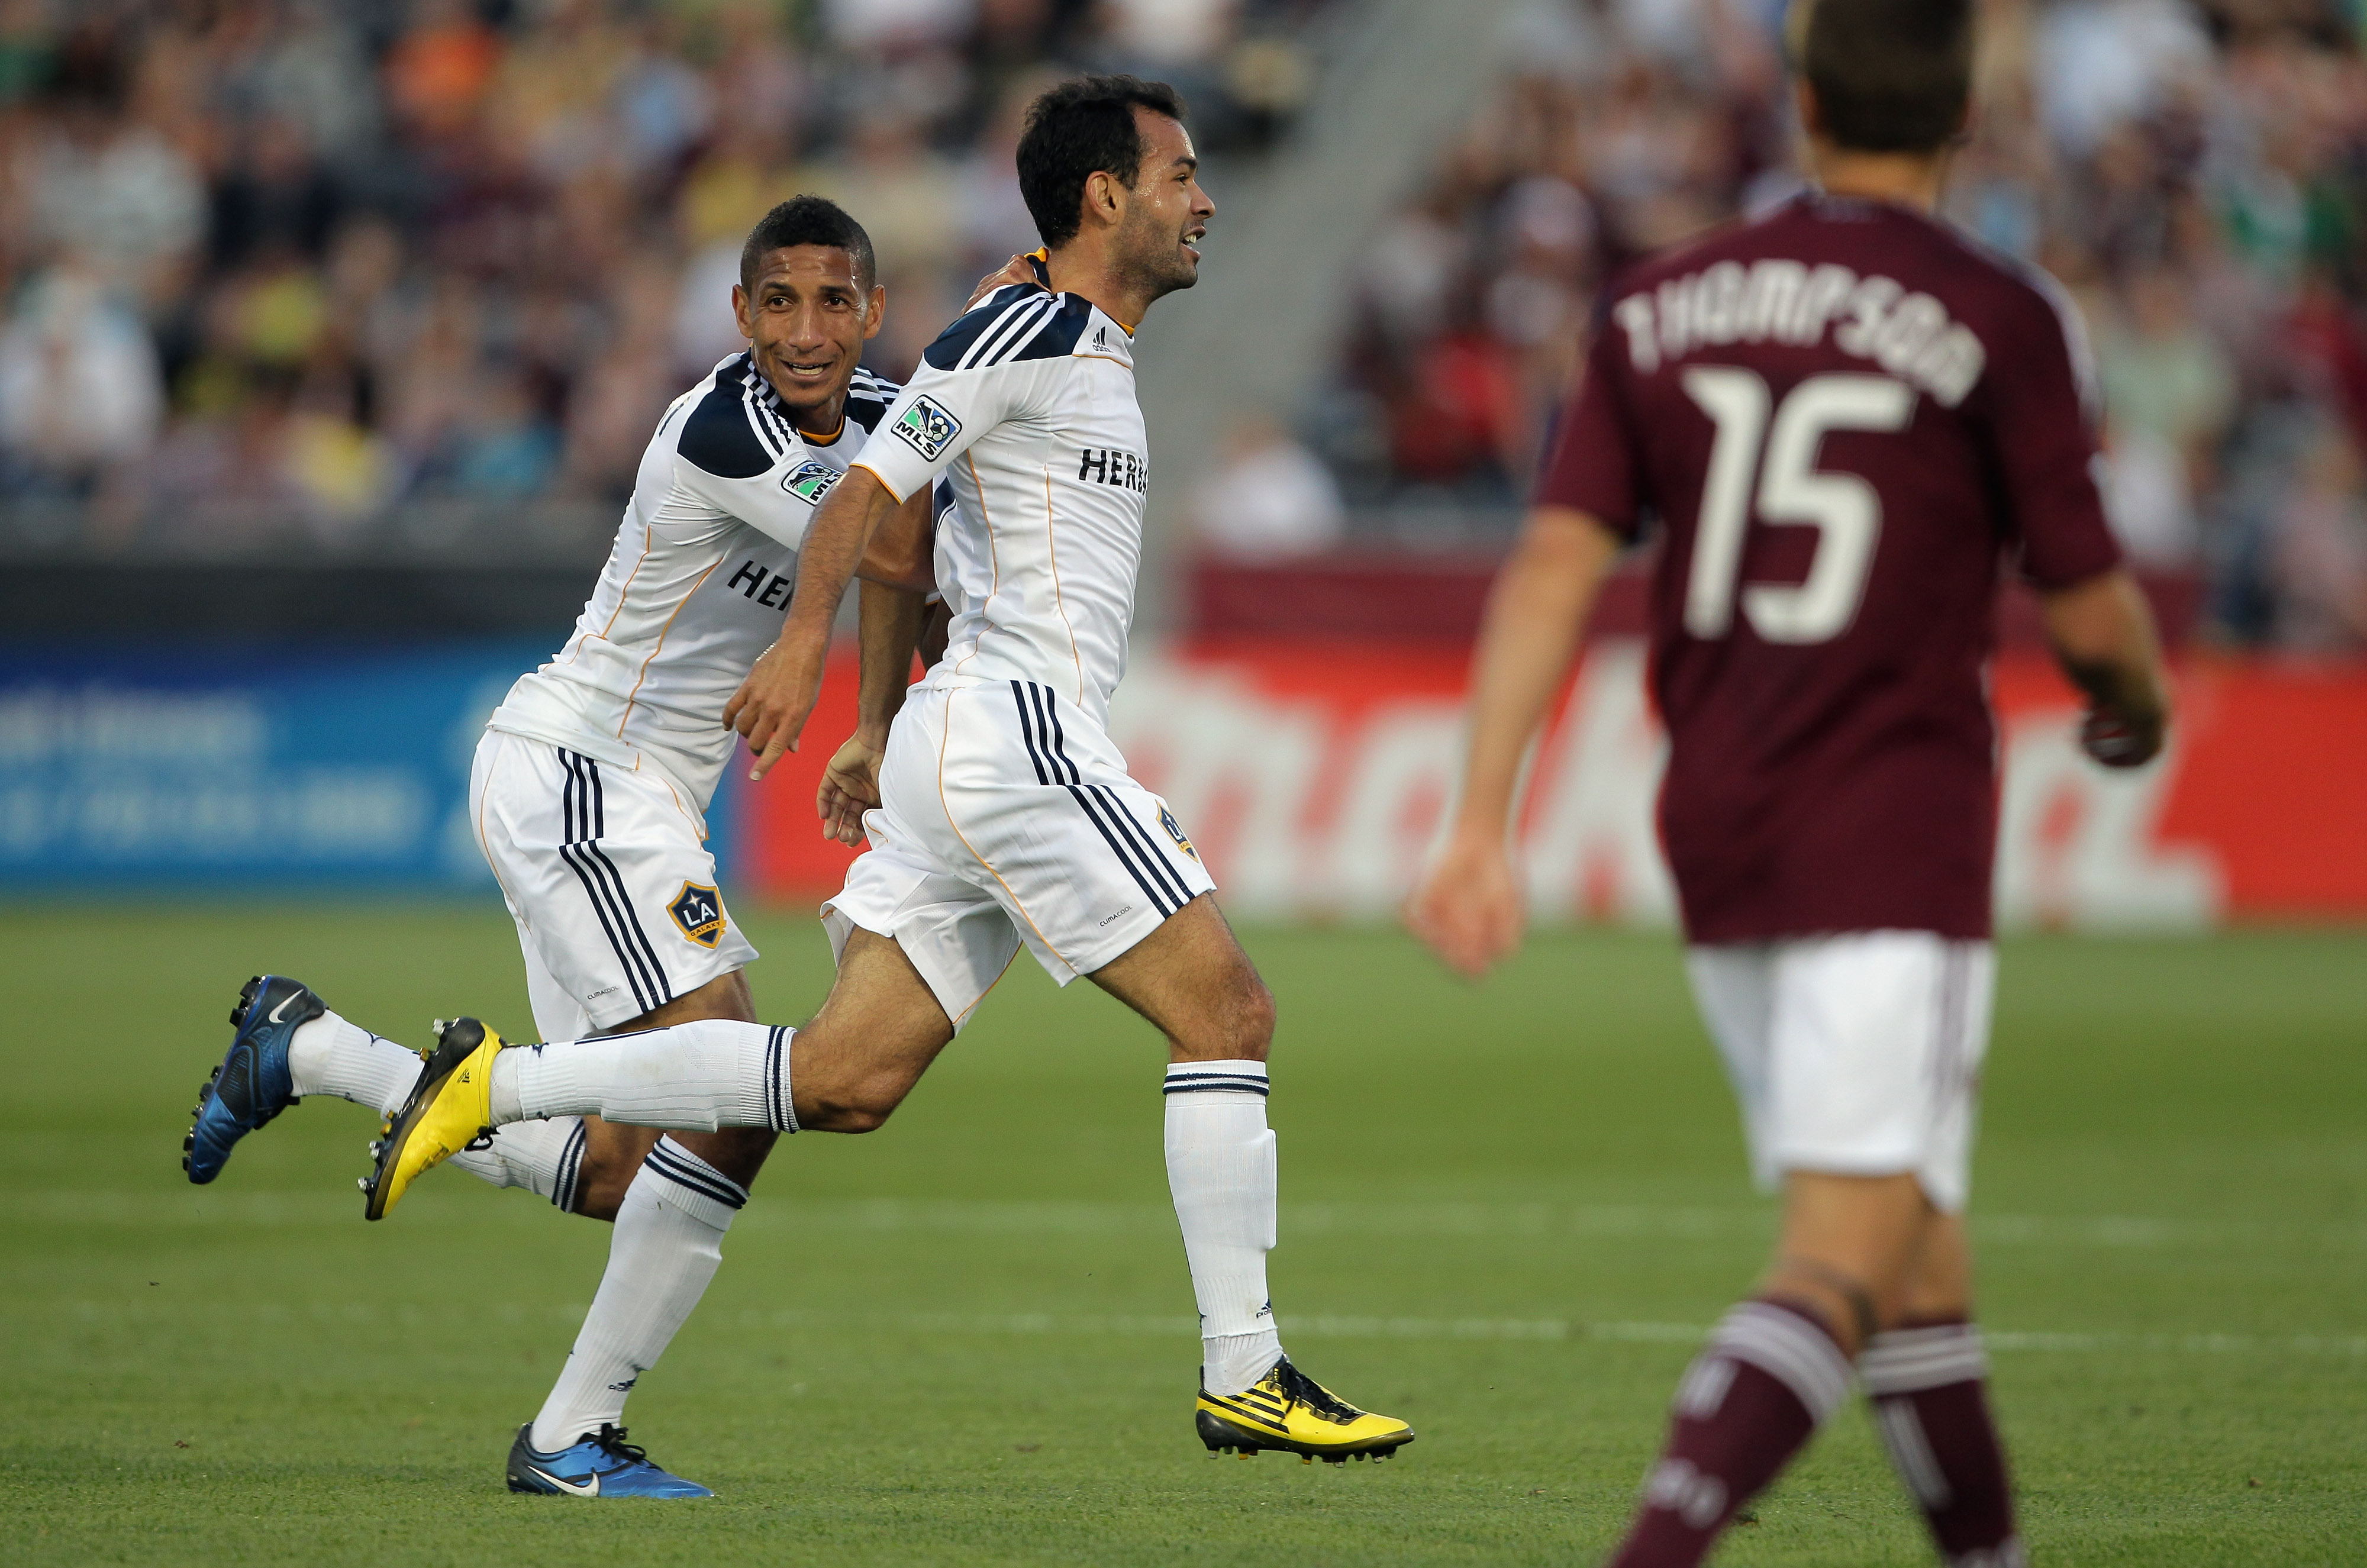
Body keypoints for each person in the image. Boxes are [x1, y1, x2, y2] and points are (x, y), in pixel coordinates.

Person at [362, 75, 1415, 1469]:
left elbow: (911, 529)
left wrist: (869, 723)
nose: (1202, 199)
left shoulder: (1061, 332)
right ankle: (1246, 1370)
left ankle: (499, 1089)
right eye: (1179, 177)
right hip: (1016, 734)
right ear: (1105, 196)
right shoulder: (1023, 327)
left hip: (953, 744)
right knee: (1227, 1011)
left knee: (844, 1081)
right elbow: (869, 498)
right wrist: (803, 648)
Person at [1405, 3, 2169, 1564]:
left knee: (1912, 1255)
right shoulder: (2001, 311)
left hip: (1723, 819)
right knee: (1841, 1251)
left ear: (1803, 101)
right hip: (1890, 819)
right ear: (1968, 114)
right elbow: (2088, 604)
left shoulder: (1658, 302)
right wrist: (2136, 708)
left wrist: (1482, 818)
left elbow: (1555, 565)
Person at [183, 195, 937, 1498]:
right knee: (731, 1084)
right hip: (579, 773)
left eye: (833, 302)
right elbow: (881, 550)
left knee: (622, 1162)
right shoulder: (725, 425)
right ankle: (568, 1435)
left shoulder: (886, 417)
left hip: (630, 795)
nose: (804, 331)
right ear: (740, 315)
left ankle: (312, 1047)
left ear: (870, 312)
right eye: (777, 301)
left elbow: (919, 551)